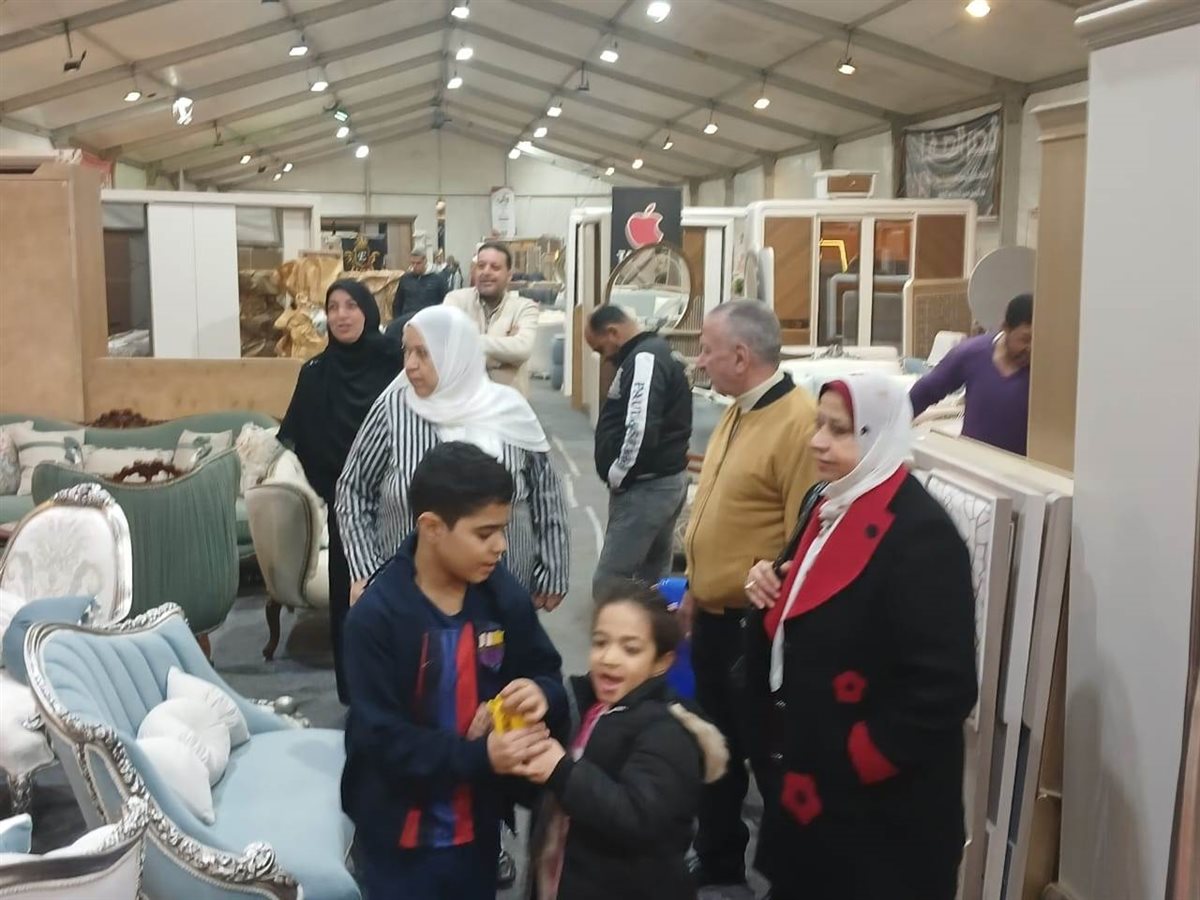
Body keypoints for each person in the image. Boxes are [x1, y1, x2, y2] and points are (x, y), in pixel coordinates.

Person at [742, 372, 978, 900]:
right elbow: (813, 604)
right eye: (818, 425)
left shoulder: (922, 535)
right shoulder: (828, 504)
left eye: (840, 430)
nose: (817, 442)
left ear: (880, 436)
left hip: (878, 817)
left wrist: (854, 757)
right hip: (812, 795)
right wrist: (769, 584)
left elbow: (945, 687)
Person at [341, 441, 567, 900]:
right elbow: (380, 741)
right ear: (431, 528)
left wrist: (540, 693)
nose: (501, 546)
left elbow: (547, 673)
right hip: (398, 843)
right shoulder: (377, 618)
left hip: (477, 834)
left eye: (503, 530)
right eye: (484, 533)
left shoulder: (502, 598)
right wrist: (480, 755)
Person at [680, 299, 819, 889]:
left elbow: (802, 539)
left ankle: (789, 878)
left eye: (707, 349)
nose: (700, 360)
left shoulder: (799, 423)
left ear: (740, 356)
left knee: (768, 756)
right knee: (713, 745)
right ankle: (717, 856)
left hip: (754, 629)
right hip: (713, 619)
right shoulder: (738, 410)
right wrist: (695, 586)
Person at [337, 304, 569, 613]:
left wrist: (554, 568)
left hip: (503, 589)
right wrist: (367, 570)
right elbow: (353, 489)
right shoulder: (392, 410)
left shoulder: (509, 410)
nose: (410, 365)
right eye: (407, 352)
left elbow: (546, 492)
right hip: (409, 593)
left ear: (455, 354)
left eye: (423, 353)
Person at [522, 581, 727, 900]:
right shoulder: (587, 707)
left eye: (630, 649)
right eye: (600, 642)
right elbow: (550, 797)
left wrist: (561, 771)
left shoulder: (669, 732)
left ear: (661, 662)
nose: (609, 658)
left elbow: (639, 817)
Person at [277, 278, 402, 703]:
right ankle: (356, 695)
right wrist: (337, 489)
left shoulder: (397, 365)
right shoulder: (315, 373)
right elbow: (302, 440)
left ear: (368, 311)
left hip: (401, 502)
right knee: (352, 600)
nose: (341, 315)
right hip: (346, 507)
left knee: (401, 596)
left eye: (351, 305)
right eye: (333, 307)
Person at [586, 305, 692, 597]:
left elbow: (639, 426)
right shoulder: (658, 351)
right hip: (663, 482)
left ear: (612, 332)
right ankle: (658, 626)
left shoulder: (645, 359)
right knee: (653, 578)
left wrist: (619, 473)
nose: (605, 357)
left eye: (601, 348)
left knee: (610, 582)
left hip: (647, 488)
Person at [909, 292, 1033, 455]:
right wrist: (891, 427)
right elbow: (925, 392)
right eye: (1025, 339)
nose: (1031, 348)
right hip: (971, 462)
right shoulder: (971, 354)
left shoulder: (1047, 371)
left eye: (1038, 340)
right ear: (1006, 328)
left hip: (1019, 467)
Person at [445, 242, 540, 396]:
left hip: (509, 401)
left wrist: (468, 341)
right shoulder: (455, 300)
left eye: (495, 267)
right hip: (464, 400)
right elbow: (447, 345)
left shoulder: (525, 307)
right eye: (481, 266)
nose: (486, 272)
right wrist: (504, 354)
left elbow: (522, 349)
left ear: (509, 275)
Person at [386, 248, 448, 338]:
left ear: (425, 261)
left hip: (429, 322)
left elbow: (445, 301)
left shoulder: (437, 279)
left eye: (418, 263)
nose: (415, 266)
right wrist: (398, 320)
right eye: (412, 263)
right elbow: (398, 303)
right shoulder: (405, 279)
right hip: (407, 321)